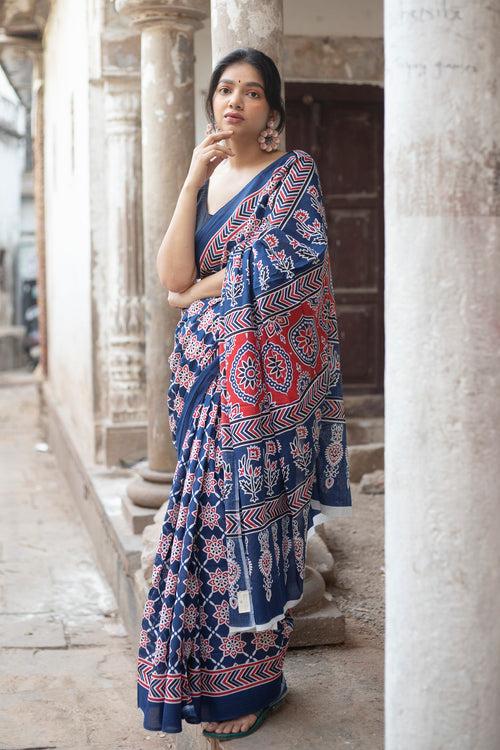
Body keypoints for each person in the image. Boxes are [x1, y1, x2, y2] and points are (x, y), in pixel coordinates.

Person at [136, 46, 352, 741]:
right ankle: (206, 689)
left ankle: (251, 690)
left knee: (245, 531)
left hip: (258, 382)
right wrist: (190, 182)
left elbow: (293, 263)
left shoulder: (293, 177)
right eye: (225, 89)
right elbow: (170, 271)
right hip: (201, 374)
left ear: (273, 112)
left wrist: (201, 289)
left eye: (252, 92)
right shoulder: (208, 177)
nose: (234, 101)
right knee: (191, 537)